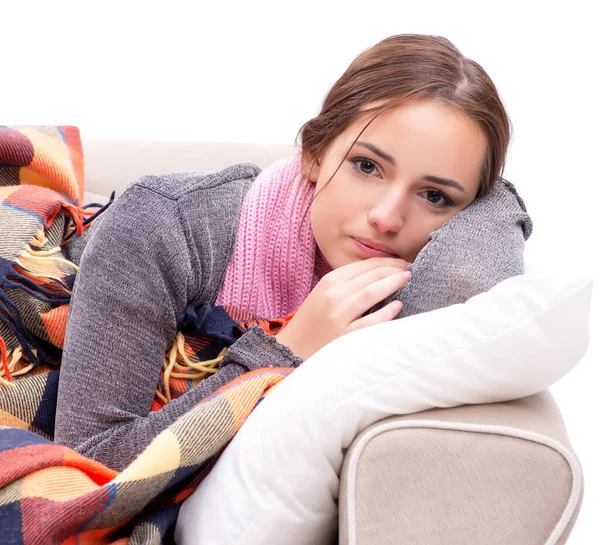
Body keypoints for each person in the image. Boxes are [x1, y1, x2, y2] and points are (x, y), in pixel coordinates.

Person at [55, 34, 510, 471]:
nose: (387, 218)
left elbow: (494, 222)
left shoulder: (428, 268)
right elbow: (89, 461)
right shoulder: (164, 223)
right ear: (314, 153)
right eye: (367, 166)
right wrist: (284, 350)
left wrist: (500, 199)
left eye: (435, 196)